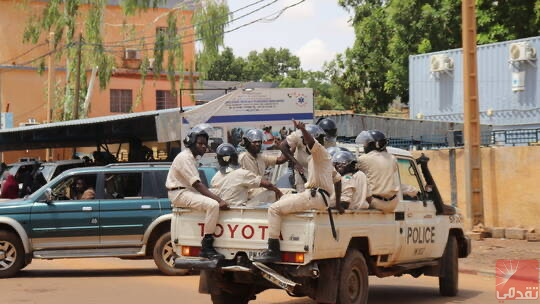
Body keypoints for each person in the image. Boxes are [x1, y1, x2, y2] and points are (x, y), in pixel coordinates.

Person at [255, 120, 342, 263]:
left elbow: (311, 142)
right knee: (283, 201)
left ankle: (273, 250)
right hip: (319, 197)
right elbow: (338, 180)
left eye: (305, 140)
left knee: (273, 209)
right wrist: (337, 204)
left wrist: (302, 129)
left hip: (315, 195)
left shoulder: (319, 151)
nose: (304, 143)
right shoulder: (320, 158)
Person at [166, 124, 229, 261]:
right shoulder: (186, 158)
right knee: (212, 205)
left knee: (216, 193)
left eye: (205, 144)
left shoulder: (191, 158)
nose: (204, 147)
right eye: (200, 143)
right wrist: (219, 200)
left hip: (185, 191)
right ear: (191, 142)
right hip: (179, 194)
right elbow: (198, 185)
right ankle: (206, 247)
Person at [211, 143, 282, 206]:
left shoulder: (215, 177)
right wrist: (278, 191)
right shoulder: (241, 173)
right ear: (235, 157)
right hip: (240, 208)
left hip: (225, 208)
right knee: (271, 192)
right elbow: (268, 185)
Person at [280, 121, 338, 192]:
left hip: (319, 172)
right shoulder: (298, 135)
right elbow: (283, 146)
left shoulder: (328, 142)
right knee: (302, 195)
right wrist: (295, 162)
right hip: (301, 172)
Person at [356, 130, 400, 213]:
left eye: (367, 143)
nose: (364, 146)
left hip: (375, 203)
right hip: (393, 203)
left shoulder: (363, 159)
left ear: (375, 144)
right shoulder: (393, 158)